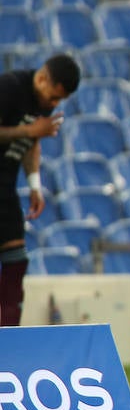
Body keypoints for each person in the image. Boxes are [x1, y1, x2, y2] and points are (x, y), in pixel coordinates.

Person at [0, 55, 79, 326]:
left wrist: (34, 185)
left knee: (16, 261)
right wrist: (30, 129)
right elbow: (31, 132)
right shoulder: (10, 87)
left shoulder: (40, 102)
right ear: (43, 78)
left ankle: (9, 340)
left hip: (6, 188)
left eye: (59, 101)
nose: (54, 105)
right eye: (53, 98)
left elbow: (32, 143)